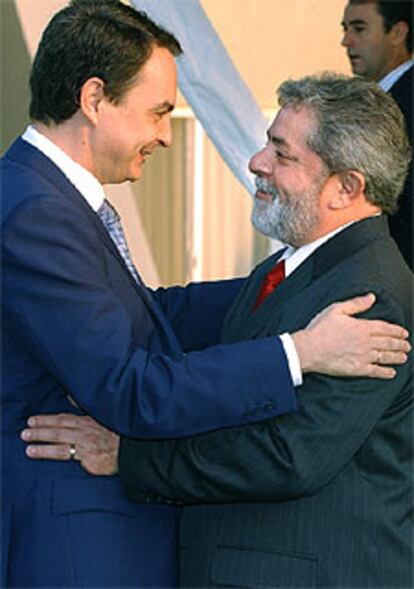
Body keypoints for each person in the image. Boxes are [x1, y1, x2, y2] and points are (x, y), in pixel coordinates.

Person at [2, 0, 409, 586]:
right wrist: (299, 351)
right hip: (75, 539)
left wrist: (290, 280)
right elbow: (129, 385)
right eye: (158, 112)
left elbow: (153, 313)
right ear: (94, 100)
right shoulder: (38, 211)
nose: (166, 136)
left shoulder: (368, 299)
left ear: (346, 186)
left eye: (282, 152)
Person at [341, 0, 413, 268]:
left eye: (359, 29)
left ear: (397, 33)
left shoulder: (404, 106)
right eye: (345, 28)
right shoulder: (384, 100)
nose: (346, 41)